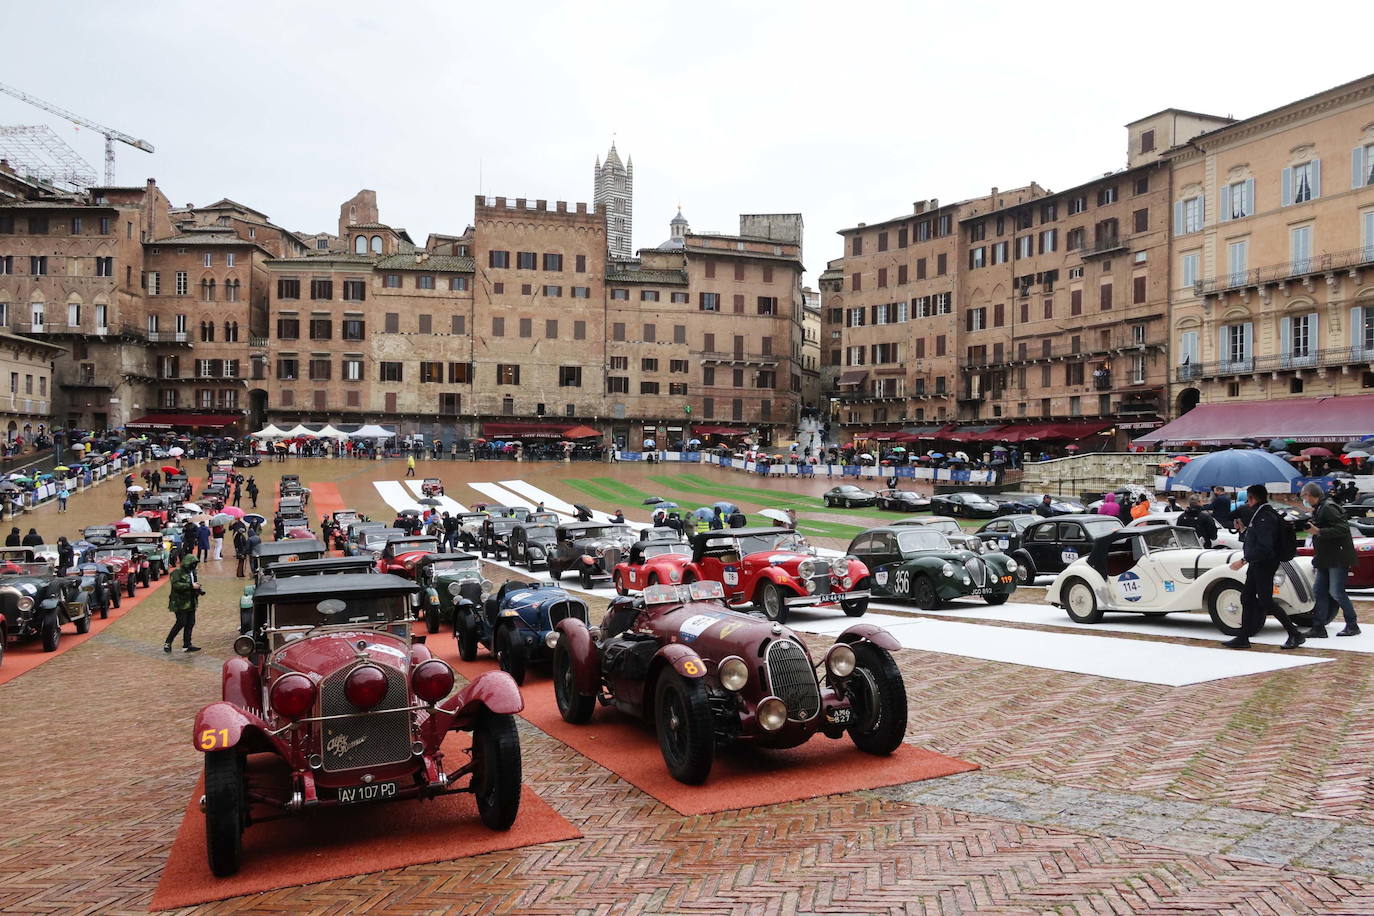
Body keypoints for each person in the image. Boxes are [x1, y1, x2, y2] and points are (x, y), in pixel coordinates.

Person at [1225, 484, 1304, 650]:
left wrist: (1244, 560)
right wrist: (1245, 530)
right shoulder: (1262, 514)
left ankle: (1294, 634)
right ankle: (1243, 636)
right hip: (1258, 564)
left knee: (1266, 601)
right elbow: (1259, 538)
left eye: (1248, 498)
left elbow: (1265, 546)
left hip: (1264, 564)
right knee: (1246, 597)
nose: (1247, 502)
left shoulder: (1264, 517)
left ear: (1252, 498)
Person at [1301, 482, 1360, 638]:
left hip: (1337, 557)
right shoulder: (1321, 507)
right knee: (1319, 591)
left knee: (1336, 592)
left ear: (1309, 495)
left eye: (1304, 496)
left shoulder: (1328, 507)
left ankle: (1352, 624)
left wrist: (1318, 531)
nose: (1303, 499)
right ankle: (1318, 627)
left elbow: (1343, 528)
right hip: (1326, 557)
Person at [162, 554, 203, 653]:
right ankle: (168, 642)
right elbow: (176, 585)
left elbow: (194, 583)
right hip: (179, 602)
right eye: (193, 564)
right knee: (181, 622)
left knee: (190, 623)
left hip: (191, 602)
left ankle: (187, 644)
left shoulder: (193, 572)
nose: (194, 566)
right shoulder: (176, 573)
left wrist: (198, 589)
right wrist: (191, 586)